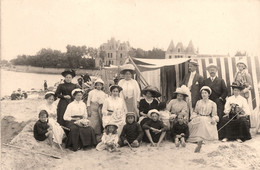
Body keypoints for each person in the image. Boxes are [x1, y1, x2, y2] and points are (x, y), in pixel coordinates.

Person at [187, 86, 219, 153]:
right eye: (202, 93)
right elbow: (195, 112)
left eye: (205, 93)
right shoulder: (198, 102)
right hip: (199, 117)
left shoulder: (212, 103)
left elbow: (214, 114)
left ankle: (203, 139)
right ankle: (197, 138)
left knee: (204, 121)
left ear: (208, 94)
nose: (203, 94)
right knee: (193, 123)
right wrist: (193, 117)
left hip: (207, 118)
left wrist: (214, 119)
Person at [202, 63, 228, 129]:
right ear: (208, 71)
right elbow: (203, 91)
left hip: (218, 100)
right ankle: (209, 130)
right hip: (208, 100)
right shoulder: (205, 81)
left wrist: (221, 98)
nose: (212, 71)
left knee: (219, 114)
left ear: (216, 71)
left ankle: (219, 131)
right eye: (210, 70)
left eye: (213, 70)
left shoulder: (221, 80)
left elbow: (225, 91)